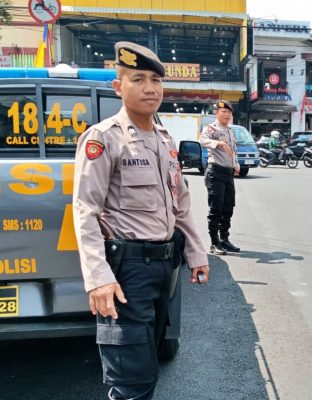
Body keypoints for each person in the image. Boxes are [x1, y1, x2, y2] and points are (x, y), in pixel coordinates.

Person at [73, 42, 209, 400]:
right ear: (119, 87)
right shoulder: (104, 139)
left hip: (163, 266)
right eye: (138, 79)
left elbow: (180, 205)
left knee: (148, 362)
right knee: (132, 380)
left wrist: (196, 253)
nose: (150, 88)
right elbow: (85, 209)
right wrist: (98, 278)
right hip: (126, 271)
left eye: (155, 80)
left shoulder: (163, 141)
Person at [199, 100, 241, 255]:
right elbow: (202, 140)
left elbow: (233, 151)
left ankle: (224, 239)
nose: (226, 115)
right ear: (216, 113)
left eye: (229, 112)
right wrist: (220, 144)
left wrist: (236, 164)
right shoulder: (211, 128)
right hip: (215, 172)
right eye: (223, 112)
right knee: (215, 209)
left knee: (228, 208)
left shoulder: (230, 131)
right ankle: (214, 243)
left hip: (228, 173)